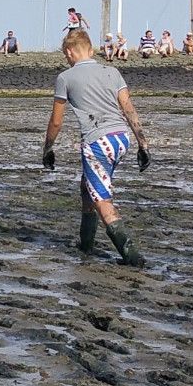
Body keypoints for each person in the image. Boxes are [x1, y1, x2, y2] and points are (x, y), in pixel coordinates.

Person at [42, 29, 151, 267]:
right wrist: (142, 144)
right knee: (87, 186)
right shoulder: (112, 71)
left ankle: (132, 256)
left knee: (102, 200)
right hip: (121, 138)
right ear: (91, 50)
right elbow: (128, 108)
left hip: (97, 142)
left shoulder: (65, 78)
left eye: (66, 55)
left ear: (69, 52)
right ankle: (86, 245)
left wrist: (47, 149)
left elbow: (56, 121)